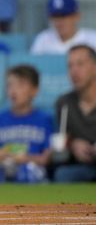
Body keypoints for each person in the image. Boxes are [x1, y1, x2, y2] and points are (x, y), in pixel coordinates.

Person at [0, 65, 53, 183]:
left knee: (27, 171)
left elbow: (46, 158)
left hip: (30, 167)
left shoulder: (44, 120)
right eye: (10, 85)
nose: (13, 91)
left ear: (35, 90)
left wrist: (26, 158)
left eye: (20, 85)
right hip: (3, 166)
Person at [53, 44, 96, 182]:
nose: (74, 71)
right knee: (62, 175)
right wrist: (73, 145)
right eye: (70, 66)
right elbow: (61, 143)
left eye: (80, 64)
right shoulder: (63, 103)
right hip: (81, 167)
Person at [30, 0, 96, 55]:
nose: (59, 21)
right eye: (55, 16)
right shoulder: (43, 39)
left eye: (64, 16)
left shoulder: (92, 39)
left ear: (77, 16)